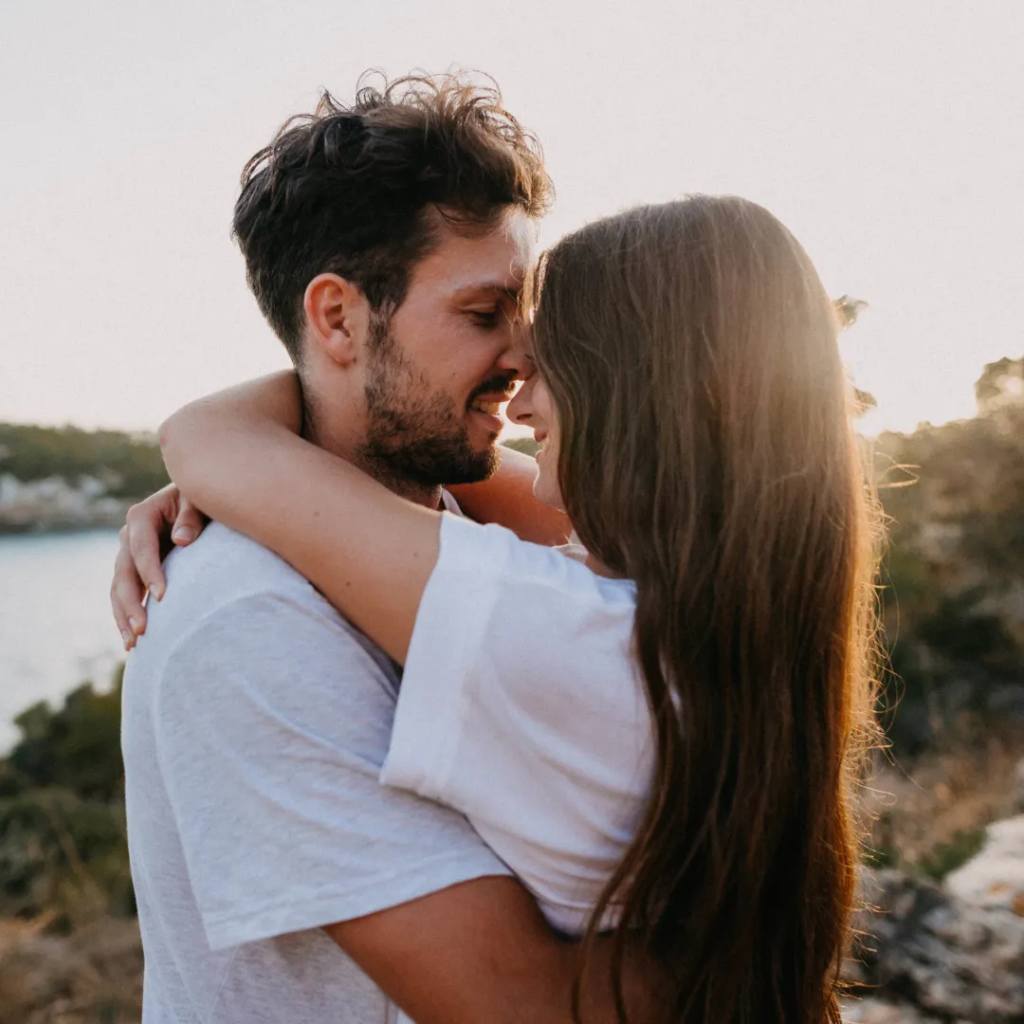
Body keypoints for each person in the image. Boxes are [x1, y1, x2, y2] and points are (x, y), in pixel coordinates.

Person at [117, 194, 884, 1024]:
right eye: (486, 314)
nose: (520, 389)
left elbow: (206, 436)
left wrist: (266, 451)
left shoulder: (568, 627)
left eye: (554, 355)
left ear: (642, 398)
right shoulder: (727, 611)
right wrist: (279, 462)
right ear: (336, 315)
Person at [116, 71, 656, 1024]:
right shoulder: (249, 620)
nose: (527, 358)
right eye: (485, 315)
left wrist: (227, 441)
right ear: (336, 318)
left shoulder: (483, 536)